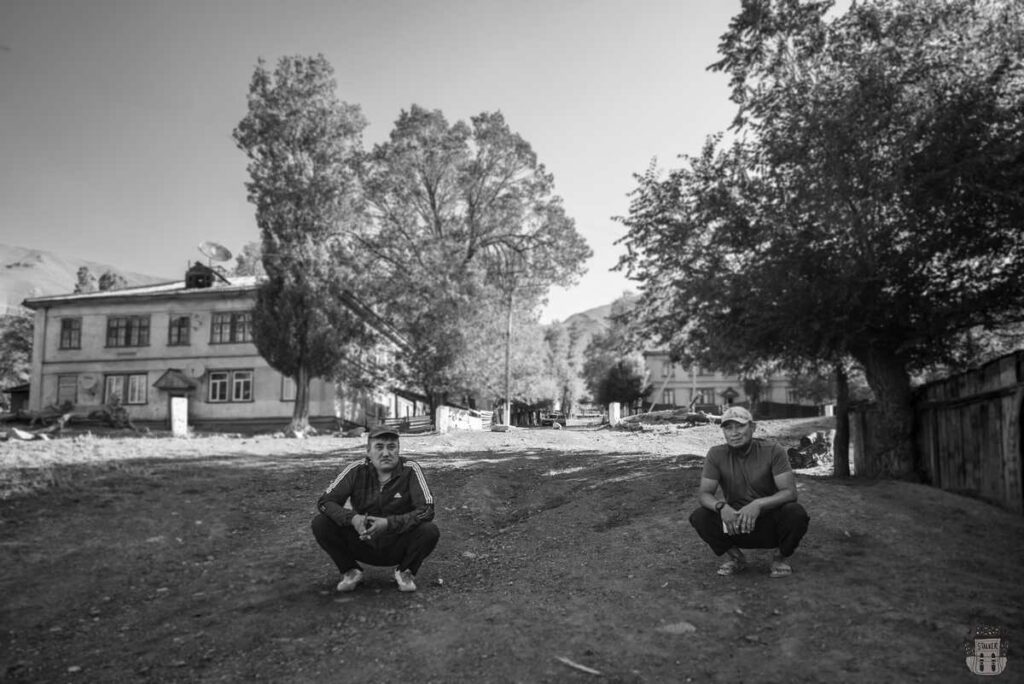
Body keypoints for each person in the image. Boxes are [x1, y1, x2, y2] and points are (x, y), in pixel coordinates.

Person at [311, 424, 439, 593]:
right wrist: (353, 519)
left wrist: (389, 524)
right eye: (379, 447)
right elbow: (325, 502)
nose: (386, 453)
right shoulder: (356, 470)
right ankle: (350, 571)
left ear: (398, 450)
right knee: (321, 523)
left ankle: (405, 572)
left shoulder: (410, 469)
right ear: (368, 451)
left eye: (392, 447)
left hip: (398, 544)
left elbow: (427, 509)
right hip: (363, 542)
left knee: (429, 531)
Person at [689, 406, 810, 578]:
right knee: (700, 516)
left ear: (752, 427)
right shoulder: (716, 454)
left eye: (740, 426)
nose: (734, 433)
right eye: (728, 428)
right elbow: (704, 494)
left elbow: (790, 493)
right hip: (736, 524)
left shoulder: (773, 450)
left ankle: (779, 558)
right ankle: (737, 558)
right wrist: (722, 507)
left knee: (796, 513)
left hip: (770, 524)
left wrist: (758, 504)